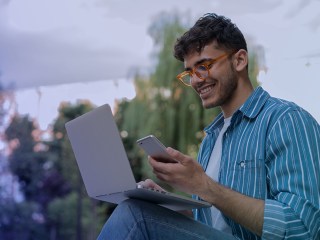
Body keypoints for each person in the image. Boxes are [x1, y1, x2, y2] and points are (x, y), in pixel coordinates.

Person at [97, 13, 320, 240]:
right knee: (141, 209)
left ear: (240, 60)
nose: (195, 80)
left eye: (203, 66)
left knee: (135, 216)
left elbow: (302, 228)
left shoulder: (286, 120)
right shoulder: (211, 140)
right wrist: (166, 204)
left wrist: (204, 186)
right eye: (190, 72)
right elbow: (211, 225)